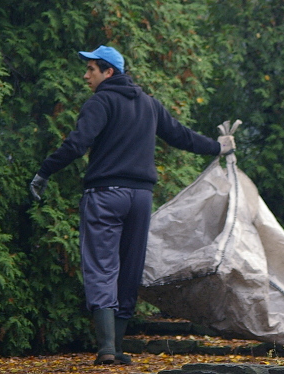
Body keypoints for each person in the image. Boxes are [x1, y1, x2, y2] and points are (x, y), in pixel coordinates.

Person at [29, 45, 234, 365]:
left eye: (91, 69)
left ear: (109, 71)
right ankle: (117, 347)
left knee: (101, 266)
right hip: (140, 199)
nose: (86, 76)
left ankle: (107, 347)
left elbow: (77, 143)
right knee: (129, 269)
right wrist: (218, 147)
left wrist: (44, 172)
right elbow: (182, 137)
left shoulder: (100, 102)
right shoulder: (150, 105)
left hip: (105, 195)